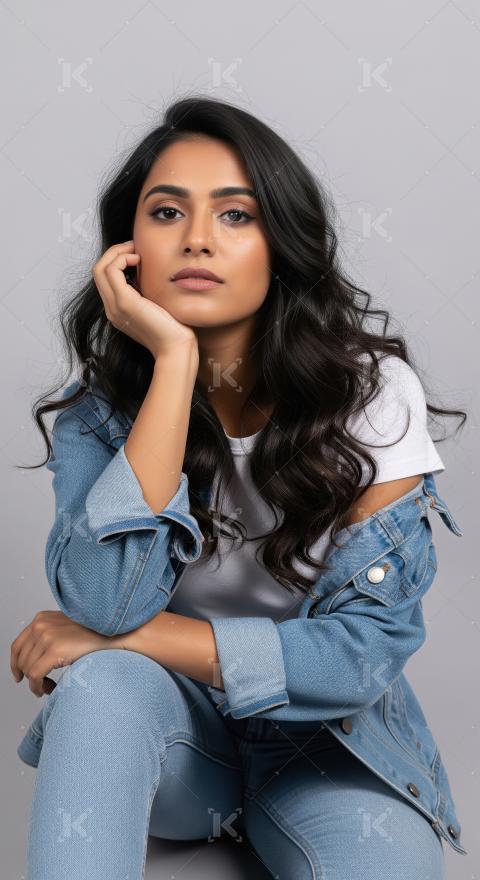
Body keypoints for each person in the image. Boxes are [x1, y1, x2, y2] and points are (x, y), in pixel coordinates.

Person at [12, 96, 467, 879]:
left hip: (333, 747)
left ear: (279, 245)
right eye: (166, 212)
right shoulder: (98, 415)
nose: (196, 239)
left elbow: (360, 657)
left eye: (235, 216)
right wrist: (173, 365)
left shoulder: (371, 396)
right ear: (129, 249)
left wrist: (138, 638)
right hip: (174, 742)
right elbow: (106, 604)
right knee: (102, 684)